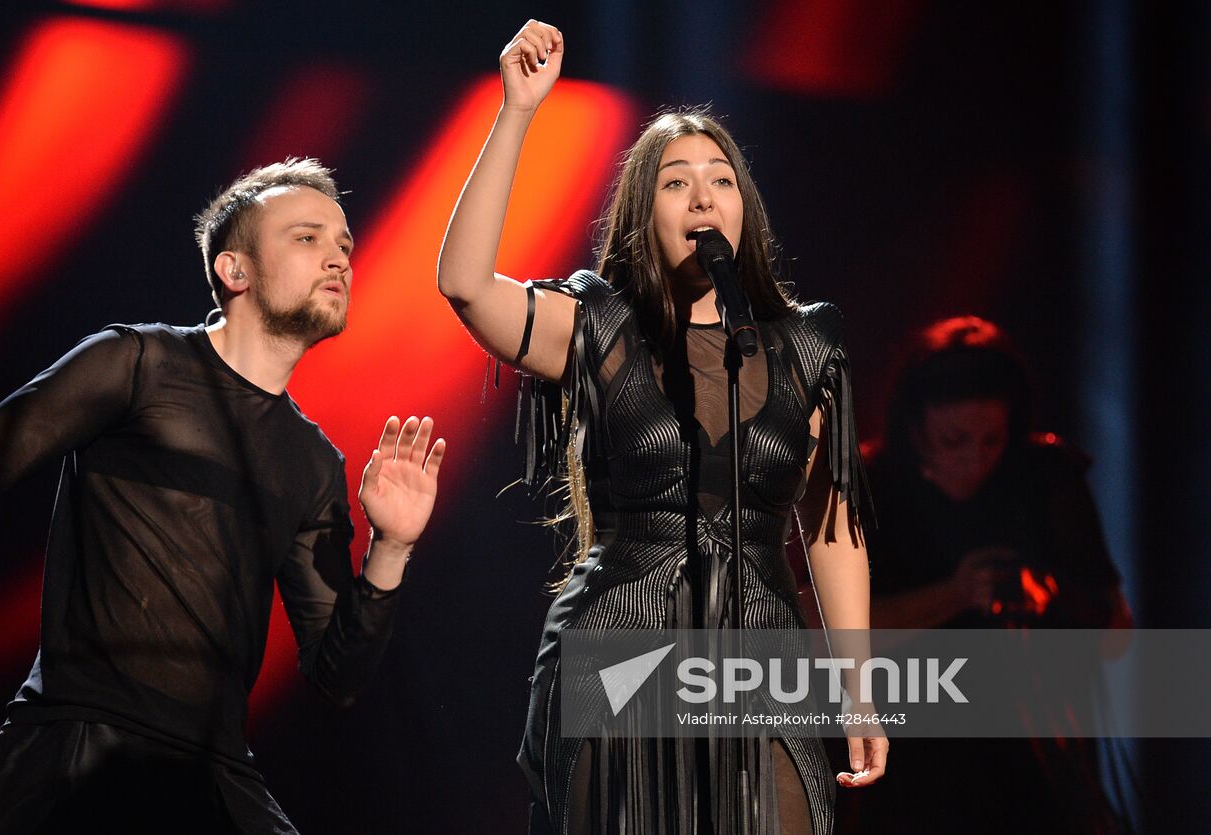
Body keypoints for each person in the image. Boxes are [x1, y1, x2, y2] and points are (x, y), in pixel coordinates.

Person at [0, 159, 447, 833]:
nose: (339, 257)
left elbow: (336, 673)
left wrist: (391, 548)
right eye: (308, 238)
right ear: (235, 270)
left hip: (210, 777)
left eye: (344, 245)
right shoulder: (136, 365)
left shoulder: (312, 462)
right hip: (73, 756)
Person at [437, 20, 884, 835]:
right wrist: (516, 112)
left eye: (721, 178)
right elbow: (465, 283)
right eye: (677, 182)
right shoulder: (600, 328)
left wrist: (858, 683)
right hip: (619, 645)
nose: (704, 194)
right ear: (645, 214)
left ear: (745, 207)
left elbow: (829, 525)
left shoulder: (806, 344)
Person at [845, 315, 1133, 834]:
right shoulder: (872, 485)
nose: (975, 459)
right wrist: (957, 593)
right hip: (913, 766)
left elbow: (1117, 634)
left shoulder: (1045, 476)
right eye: (954, 440)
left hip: (1036, 761)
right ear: (915, 429)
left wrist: (1046, 596)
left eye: (991, 440)